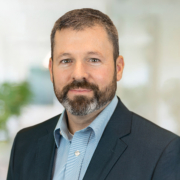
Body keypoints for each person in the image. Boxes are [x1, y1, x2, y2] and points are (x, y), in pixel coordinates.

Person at [7, 8, 180, 180]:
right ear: (51, 70)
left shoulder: (163, 151)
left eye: (94, 60)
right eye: (66, 60)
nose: (78, 74)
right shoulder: (25, 144)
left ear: (118, 68)